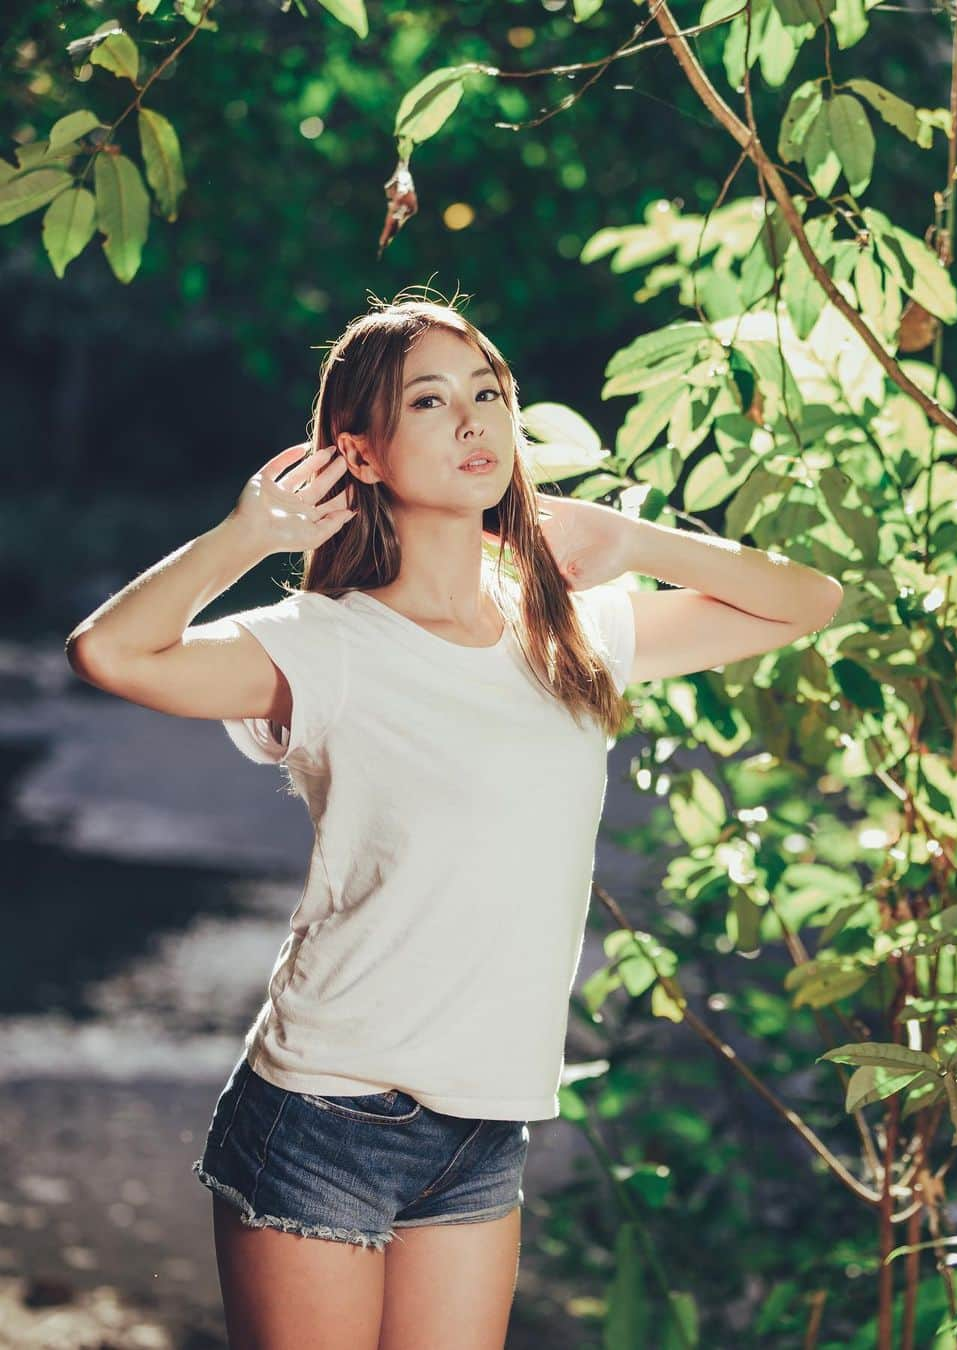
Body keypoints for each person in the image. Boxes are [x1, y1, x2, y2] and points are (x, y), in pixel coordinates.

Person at [65, 290, 843, 1349]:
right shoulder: (323, 643)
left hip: (484, 1125)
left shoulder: (569, 632)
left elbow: (807, 602)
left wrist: (631, 537)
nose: (474, 421)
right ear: (365, 453)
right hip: (323, 1111)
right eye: (429, 402)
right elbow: (109, 655)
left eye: (489, 394)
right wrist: (249, 534)